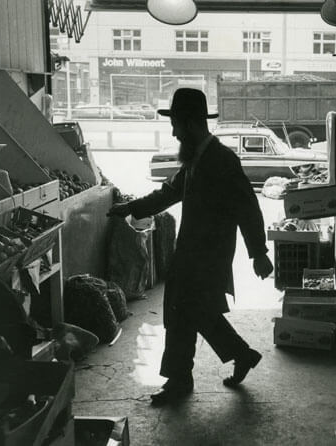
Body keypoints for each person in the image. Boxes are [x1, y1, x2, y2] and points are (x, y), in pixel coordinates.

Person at [108, 88, 274, 406]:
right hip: (192, 252)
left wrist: (259, 253)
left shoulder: (222, 160)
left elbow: (247, 207)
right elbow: (168, 193)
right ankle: (240, 355)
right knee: (196, 311)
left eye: (176, 125)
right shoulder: (196, 159)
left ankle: (180, 380)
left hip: (209, 256)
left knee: (184, 311)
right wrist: (131, 208)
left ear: (191, 124)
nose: (173, 132)